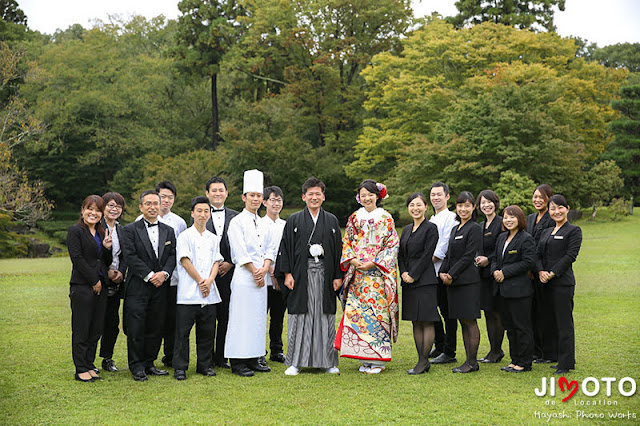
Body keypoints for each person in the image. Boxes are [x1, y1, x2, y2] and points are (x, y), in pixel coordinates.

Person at [276, 177, 343, 376]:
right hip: (300, 273)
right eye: (310, 194)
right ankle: (296, 361)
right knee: (300, 316)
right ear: (304, 197)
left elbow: (338, 250)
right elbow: (285, 248)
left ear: (323, 197)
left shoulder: (331, 220)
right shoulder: (295, 220)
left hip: (326, 272)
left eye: (318, 194)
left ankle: (327, 361)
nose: (314, 197)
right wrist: (287, 273)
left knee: (324, 316)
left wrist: (338, 275)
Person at [337, 179, 399, 374]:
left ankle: (378, 360)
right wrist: (354, 261)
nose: (366, 198)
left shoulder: (386, 218)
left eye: (370, 195)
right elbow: (347, 241)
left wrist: (374, 262)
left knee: (377, 314)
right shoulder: (354, 217)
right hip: (358, 276)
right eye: (363, 195)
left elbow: (392, 245)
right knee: (359, 316)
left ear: (377, 196)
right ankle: (364, 357)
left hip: (377, 275)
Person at [224, 170, 279, 377]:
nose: (256, 199)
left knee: (257, 319)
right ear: (244, 198)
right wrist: (254, 270)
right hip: (244, 277)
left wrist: (265, 268)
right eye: (252, 195)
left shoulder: (264, 224)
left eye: (258, 196)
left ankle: (254, 356)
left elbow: (270, 249)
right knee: (241, 318)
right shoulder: (237, 222)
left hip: (261, 277)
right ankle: (238, 361)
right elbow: (239, 251)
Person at [121, 190, 177, 382]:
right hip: (138, 286)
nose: (153, 207)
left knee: (156, 325)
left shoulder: (168, 230)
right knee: (136, 326)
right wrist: (150, 275)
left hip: (161, 286)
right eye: (148, 204)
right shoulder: (129, 230)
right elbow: (130, 256)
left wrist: (164, 274)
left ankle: (149, 362)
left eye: (156, 203)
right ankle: (136, 366)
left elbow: (172, 255)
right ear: (141, 207)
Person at [137, 181, 187, 368]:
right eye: (162, 197)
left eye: (170, 197)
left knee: (172, 320)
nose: (165, 201)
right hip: (148, 280)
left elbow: (178, 252)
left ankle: (170, 356)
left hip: (172, 279)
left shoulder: (179, 222)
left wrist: (166, 273)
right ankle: (147, 358)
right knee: (152, 319)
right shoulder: (138, 221)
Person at [173, 196, 224, 380]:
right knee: (182, 333)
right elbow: (185, 261)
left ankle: (205, 365)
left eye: (206, 211)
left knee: (208, 332)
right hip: (188, 292)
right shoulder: (184, 236)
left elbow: (217, 261)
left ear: (209, 214)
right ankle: (180, 367)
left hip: (210, 293)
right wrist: (200, 281)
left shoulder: (213, 238)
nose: (203, 214)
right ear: (192, 213)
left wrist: (209, 281)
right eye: (199, 211)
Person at [67, 195, 113, 382]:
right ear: (82, 210)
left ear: (101, 214)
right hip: (82, 286)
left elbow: (105, 262)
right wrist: (94, 280)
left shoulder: (102, 232)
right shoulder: (75, 231)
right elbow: (77, 259)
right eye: (90, 209)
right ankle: (81, 369)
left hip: (101, 287)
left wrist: (107, 248)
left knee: (96, 328)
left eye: (97, 210)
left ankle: (89, 364)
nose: (93, 213)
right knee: (82, 328)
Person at [536, 195, 582, 375]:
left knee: (564, 323)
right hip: (544, 282)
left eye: (559, 208)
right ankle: (556, 356)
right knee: (550, 322)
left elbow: (570, 256)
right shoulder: (546, 231)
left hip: (562, 283)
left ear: (567, 208)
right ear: (549, 211)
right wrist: (540, 272)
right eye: (552, 209)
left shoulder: (574, 230)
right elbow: (537, 254)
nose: (556, 212)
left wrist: (552, 273)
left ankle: (566, 362)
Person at [439, 191, 482, 373]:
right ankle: (469, 360)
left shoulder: (474, 228)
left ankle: (472, 362)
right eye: (460, 205)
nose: (463, 209)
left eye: (467, 205)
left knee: (469, 321)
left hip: (467, 282)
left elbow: (468, 256)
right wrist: (442, 272)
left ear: (473, 207)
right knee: (462, 321)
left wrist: (452, 274)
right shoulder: (456, 228)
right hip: (453, 283)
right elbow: (449, 254)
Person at [491, 205, 536, 373]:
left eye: (512, 217)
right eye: (505, 217)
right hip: (502, 290)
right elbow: (495, 258)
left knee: (522, 326)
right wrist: (495, 271)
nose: (508, 220)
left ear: (520, 219)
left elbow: (528, 262)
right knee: (509, 326)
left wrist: (505, 272)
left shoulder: (526, 239)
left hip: (520, 291)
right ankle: (514, 360)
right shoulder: (502, 237)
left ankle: (525, 362)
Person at [398, 193, 439, 375]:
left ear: (425, 207)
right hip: (408, 281)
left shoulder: (431, 228)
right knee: (416, 321)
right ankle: (420, 359)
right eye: (412, 205)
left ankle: (423, 361)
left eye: (419, 205)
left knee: (426, 320)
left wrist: (414, 275)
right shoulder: (406, 229)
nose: (415, 208)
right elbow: (401, 254)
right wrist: (404, 272)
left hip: (425, 281)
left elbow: (427, 255)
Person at [204, 176, 239, 369]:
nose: (218, 193)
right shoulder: (199, 214)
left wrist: (231, 263)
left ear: (226, 193)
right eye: (214, 190)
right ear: (207, 193)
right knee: (208, 317)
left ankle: (222, 356)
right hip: (206, 275)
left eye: (221, 190)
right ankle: (207, 357)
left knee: (226, 316)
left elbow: (242, 244)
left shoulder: (236, 216)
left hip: (229, 274)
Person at [428, 182, 459, 365]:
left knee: (447, 312)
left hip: (442, 270)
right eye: (433, 195)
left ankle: (449, 350)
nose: (436, 198)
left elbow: (446, 242)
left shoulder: (451, 217)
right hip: (429, 272)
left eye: (439, 194)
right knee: (432, 309)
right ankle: (439, 344)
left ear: (447, 197)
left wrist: (430, 258)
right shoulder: (431, 219)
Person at [526, 184, 556, 364]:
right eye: (535, 196)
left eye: (541, 197)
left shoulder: (552, 219)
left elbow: (545, 248)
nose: (537, 200)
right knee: (533, 313)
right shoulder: (530, 218)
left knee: (546, 314)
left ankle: (549, 352)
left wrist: (537, 269)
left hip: (545, 272)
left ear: (549, 199)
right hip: (529, 274)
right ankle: (536, 350)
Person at [475, 189, 505, 364]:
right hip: (482, 276)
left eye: (489, 201)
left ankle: (497, 350)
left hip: (496, 274)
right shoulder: (480, 225)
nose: (486, 205)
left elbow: (502, 248)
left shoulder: (502, 223)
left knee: (497, 313)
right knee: (487, 312)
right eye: (482, 203)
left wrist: (489, 259)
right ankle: (493, 350)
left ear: (495, 203)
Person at [98, 192, 127, 373]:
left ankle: (107, 358)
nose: (114, 209)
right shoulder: (95, 227)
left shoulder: (123, 230)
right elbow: (93, 255)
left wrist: (121, 272)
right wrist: (106, 272)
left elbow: (126, 255)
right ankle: (88, 359)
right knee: (96, 321)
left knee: (112, 322)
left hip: (117, 283)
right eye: (111, 205)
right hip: (99, 281)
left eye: (118, 206)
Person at [260, 186, 287, 364]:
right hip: (263, 277)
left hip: (281, 277)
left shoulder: (286, 225)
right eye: (272, 200)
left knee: (278, 317)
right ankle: (259, 351)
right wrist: (270, 271)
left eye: (279, 200)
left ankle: (277, 350)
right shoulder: (259, 224)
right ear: (264, 202)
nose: (276, 204)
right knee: (261, 316)